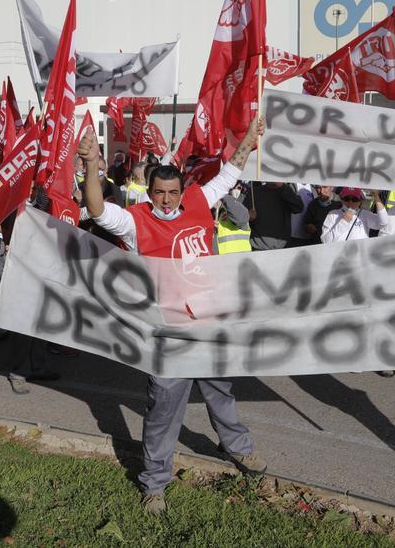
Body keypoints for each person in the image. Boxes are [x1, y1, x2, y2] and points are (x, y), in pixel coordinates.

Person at [78, 115, 267, 515]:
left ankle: (238, 448)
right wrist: (92, 165)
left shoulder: (199, 200)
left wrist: (249, 137)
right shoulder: (135, 222)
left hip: (208, 323)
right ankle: (155, 482)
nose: (167, 199)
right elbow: (96, 211)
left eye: (173, 192)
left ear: (183, 190)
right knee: (164, 409)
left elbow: (231, 171)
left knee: (221, 393)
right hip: (166, 331)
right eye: (160, 193)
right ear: (149, 192)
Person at [243, 181, 304, 250]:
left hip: (282, 247)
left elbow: (299, 208)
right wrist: (248, 216)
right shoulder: (254, 192)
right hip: (259, 246)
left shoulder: (286, 190)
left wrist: (282, 187)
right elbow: (242, 216)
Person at [320, 188, 387, 243]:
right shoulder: (333, 214)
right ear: (342, 200)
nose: (350, 202)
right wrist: (343, 222)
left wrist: (376, 196)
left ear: (360, 201)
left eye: (354, 199)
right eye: (347, 198)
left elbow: (383, 222)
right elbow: (325, 241)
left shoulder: (365, 214)